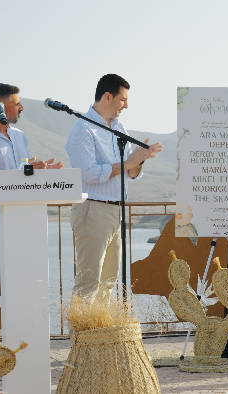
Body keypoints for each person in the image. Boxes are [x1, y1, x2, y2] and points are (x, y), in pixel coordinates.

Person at [0, 83, 63, 366]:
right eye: (16, 103)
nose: (21, 108)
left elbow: (21, 176)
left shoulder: (20, 137)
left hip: (22, 226)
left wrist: (37, 170)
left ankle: (24, 345)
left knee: (25, 286)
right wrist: (25, 173)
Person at [66, 74, 163, 303]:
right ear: (107, 96)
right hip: (93, 209)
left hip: (116, 209)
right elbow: (89, 173)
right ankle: (79, 336)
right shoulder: (83, 129)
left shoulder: (119, 128)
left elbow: (131, 172)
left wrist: (140, 161)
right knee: (89, 280)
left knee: (108, 281)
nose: (127, 106)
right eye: (123, 99)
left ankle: (99, 335)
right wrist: (128, 163)